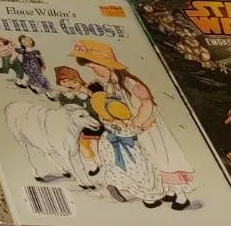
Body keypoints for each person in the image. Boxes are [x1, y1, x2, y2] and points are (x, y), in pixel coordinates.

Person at [75, 39, 196, 209]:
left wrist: (134, 125)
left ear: (107, 64)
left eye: (94, 67)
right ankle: (165, 190)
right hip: (132, 131)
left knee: (161, 158)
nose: (94, 71)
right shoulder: (109, 85)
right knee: (147, 163)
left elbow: (146, 105)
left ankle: (180, 194)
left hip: (147, 129)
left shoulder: (129, 83)